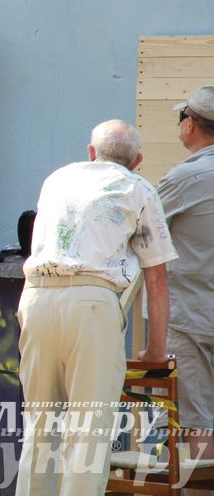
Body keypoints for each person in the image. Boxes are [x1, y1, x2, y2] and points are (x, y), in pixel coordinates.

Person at [16, 119, 178, 496]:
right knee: (88, 432)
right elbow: (157, 280)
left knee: (40, 425)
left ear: (91, 152)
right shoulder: (138, 188)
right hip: (91, 302)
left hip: (37, 297)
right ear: (137, 161)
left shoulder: (57, 179)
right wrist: (155, 351)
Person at [156, 85, 214, 488]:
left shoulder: (186, 177)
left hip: (192, 317)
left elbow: (139, 230)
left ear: (190, 124)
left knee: (195, 422)